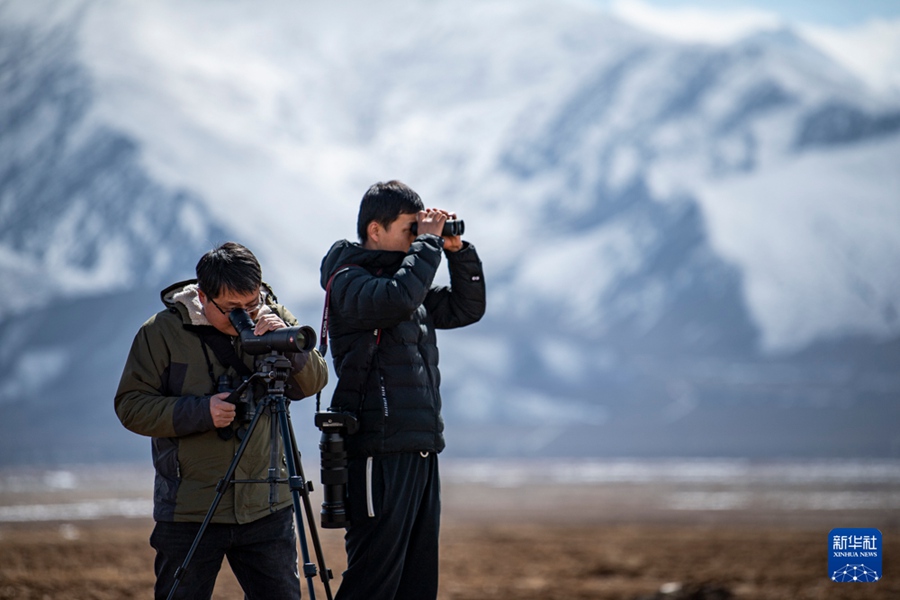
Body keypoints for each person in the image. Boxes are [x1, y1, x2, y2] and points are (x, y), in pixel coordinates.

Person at [115, 241, 328, 600]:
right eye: (232, 309)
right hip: (190, 507)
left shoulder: (273, 317)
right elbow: (131, 405)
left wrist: (287, 348)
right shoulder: (161, 333)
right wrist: (201, 411)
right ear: (203, 296)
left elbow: (315, 381)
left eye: (252, 303)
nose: (244, 315)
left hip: (266, 504)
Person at [319, 180, 486, 599]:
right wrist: (427, 245)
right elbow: (395, 300)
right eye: (409, 229)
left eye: (420, 230)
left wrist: (457, 252)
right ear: (375, 230)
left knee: (416, 582)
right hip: (378, 450)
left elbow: (467, 308)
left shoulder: (407, 282)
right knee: (373, 580)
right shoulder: (350, 281)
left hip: (419, 447)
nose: (417, 238)